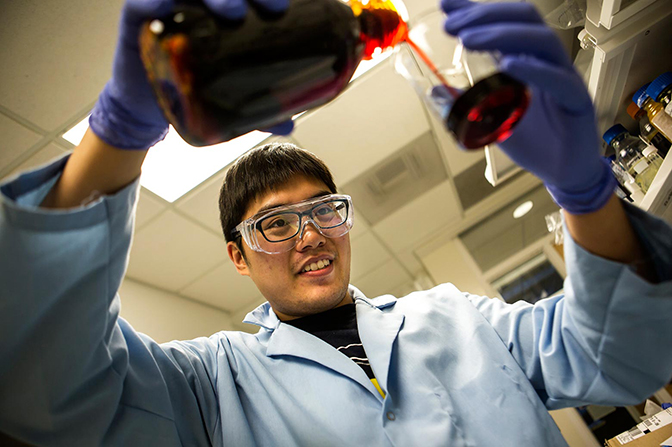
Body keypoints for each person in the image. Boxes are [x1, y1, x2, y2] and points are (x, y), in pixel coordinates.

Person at [1, 0, 671, 445]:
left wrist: (584, 190)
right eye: (275, 224)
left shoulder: (457, 320)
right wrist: (117, 131)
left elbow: (623, 352)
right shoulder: (207, 387)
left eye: (325, 210)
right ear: (237, 257)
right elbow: (47, 382)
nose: (313, 234)